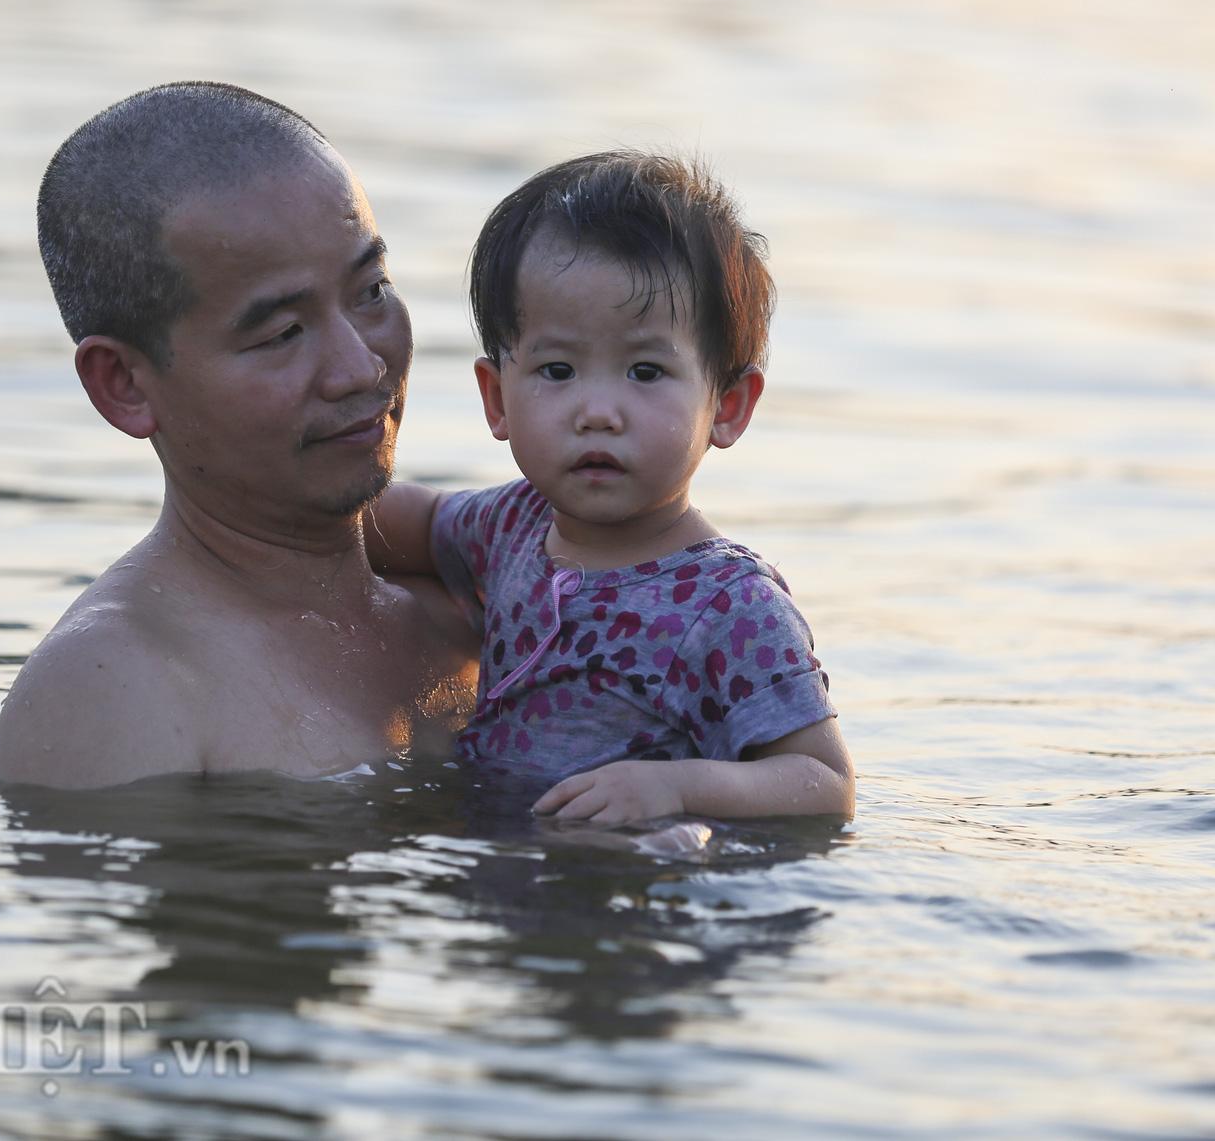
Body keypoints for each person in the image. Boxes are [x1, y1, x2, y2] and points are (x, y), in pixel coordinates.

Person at [0, 82, 477, 790]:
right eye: (282, 333)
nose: (360, 366)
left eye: (371, 291)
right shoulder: (119, 691)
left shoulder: (493, 597)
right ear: (124, 384)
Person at [366, 152, 855, 827]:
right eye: (558, 369)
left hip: (632, 885)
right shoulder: (511, 524)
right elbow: (405, 523)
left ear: (728, 406)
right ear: (497, 398)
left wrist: (676, 789)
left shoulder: (731, 604)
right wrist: (268, 515)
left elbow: (823, 783)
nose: (598, 410)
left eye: (646, 371)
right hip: (508, 870)